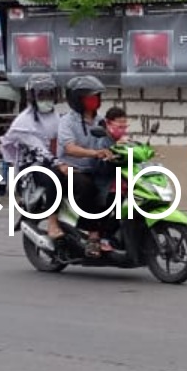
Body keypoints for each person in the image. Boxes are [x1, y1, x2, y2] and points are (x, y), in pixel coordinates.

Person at [0, 74, 68, 241]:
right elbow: (39, 151)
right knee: (55, 179)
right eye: (42, 96)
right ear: (32, 97)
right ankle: (52, 223)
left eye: (50, 94)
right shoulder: (24, 123)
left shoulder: (57, 117)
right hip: (32, 168)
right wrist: (59, 164)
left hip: (54, 162)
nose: (47, 99)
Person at [58, 75, 116, 256]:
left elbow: (112, 140)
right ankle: (93, 236)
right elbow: (70, 148)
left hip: (96, 168)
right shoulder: (66, 121)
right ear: (77, 100)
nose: (95, 101)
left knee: (118, 188)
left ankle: (112, 233)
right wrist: (95, 153)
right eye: (90, 97)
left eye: (97, 97)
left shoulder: (101, 121)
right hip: (73, 169)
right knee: (88, 187)